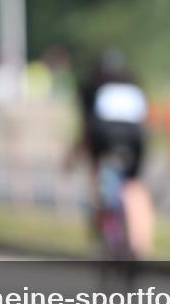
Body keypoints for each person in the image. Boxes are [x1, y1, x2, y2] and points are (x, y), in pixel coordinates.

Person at [66, 50, 154, 259]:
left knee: (97, 173)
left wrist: (73, 156)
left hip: (103, 133)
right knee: (134, 184)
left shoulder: (91, 86)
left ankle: (101, 215)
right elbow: (144, 118)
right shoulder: (133, 82)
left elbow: (87, 127)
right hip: (135, 135)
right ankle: (140, 244)